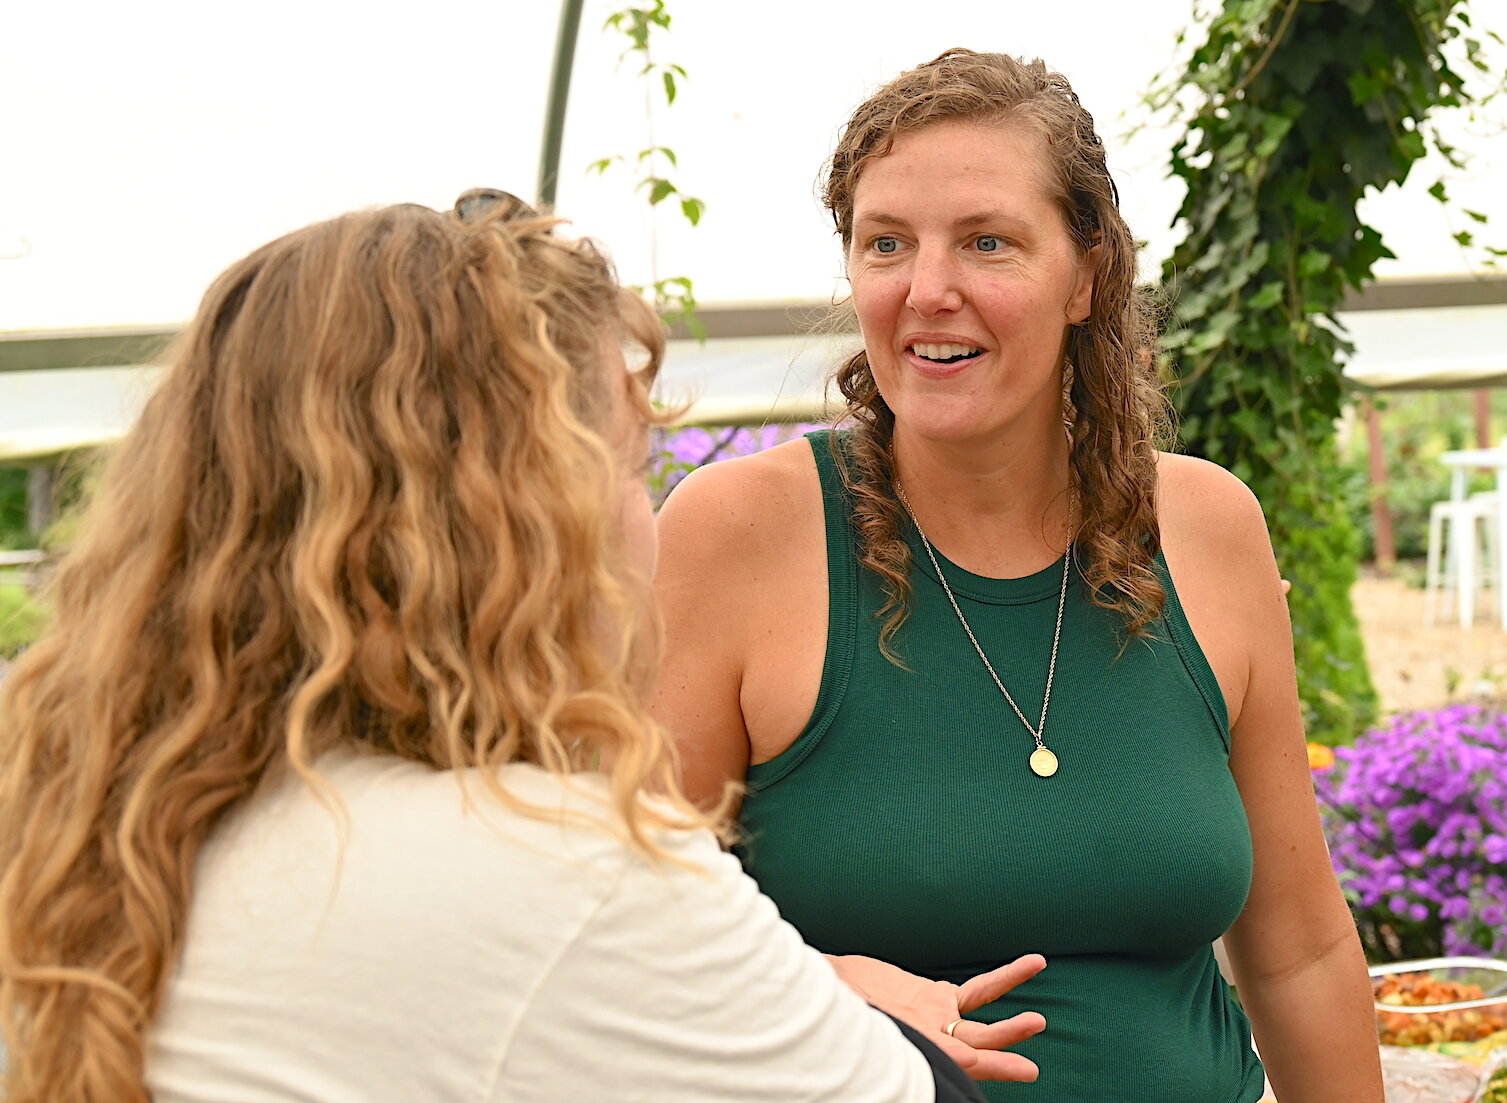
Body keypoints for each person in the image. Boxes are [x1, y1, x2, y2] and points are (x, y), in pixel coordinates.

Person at [0, 195, 1050, 1102]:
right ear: (529, 526)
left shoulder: (90, 809)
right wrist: (836, 988)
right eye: (632, 469)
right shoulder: (564, 864)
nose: (651, 519)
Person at [653, 49, 1385, 1103]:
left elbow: (1298, 950)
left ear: (1085, 275)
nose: (928, 290)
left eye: (986, 242)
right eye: (886, 244)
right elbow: (623, 933)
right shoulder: (738, 534)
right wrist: (818, 984)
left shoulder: (1207, 526)